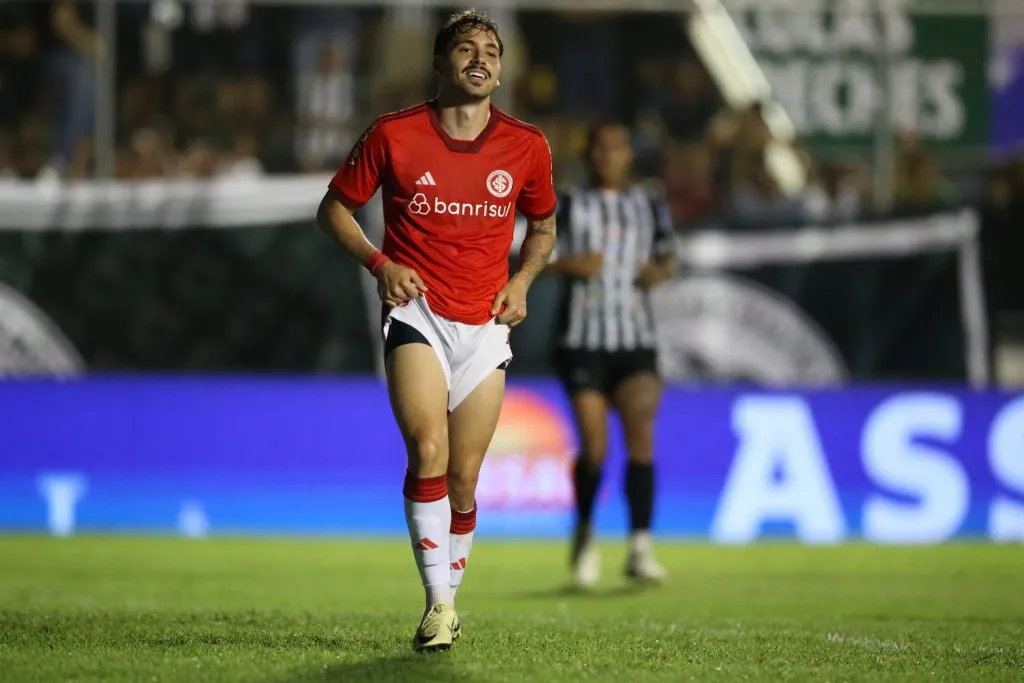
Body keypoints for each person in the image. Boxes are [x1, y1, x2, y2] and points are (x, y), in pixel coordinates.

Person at [315, 9, 557, 652]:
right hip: (418, 313)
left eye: (491, 51)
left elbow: (544, 226)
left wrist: (523, 282)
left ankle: (446, 601)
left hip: (485, 326)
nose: (480, 58)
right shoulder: (394, 134)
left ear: (501, 70)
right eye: (466, 48)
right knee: (428, 449)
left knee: (465, 481)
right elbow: (333, 209)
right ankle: (438, 607)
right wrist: (380, 261)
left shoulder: (527, 146)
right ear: (440, 62)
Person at [544, 121, 676, 589]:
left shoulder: (650, 203)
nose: (609, 156)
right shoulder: (569, 202)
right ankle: (584, 532)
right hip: (582, 341)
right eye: (600, 148)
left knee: (641, 436)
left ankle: (640, 545)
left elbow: (669, 257)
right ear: (590, 154)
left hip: (635, 340)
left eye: (617, 147)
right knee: (595, 448)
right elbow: (529, 257)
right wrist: (567, 265)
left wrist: (657, 272)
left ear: (628, 155)